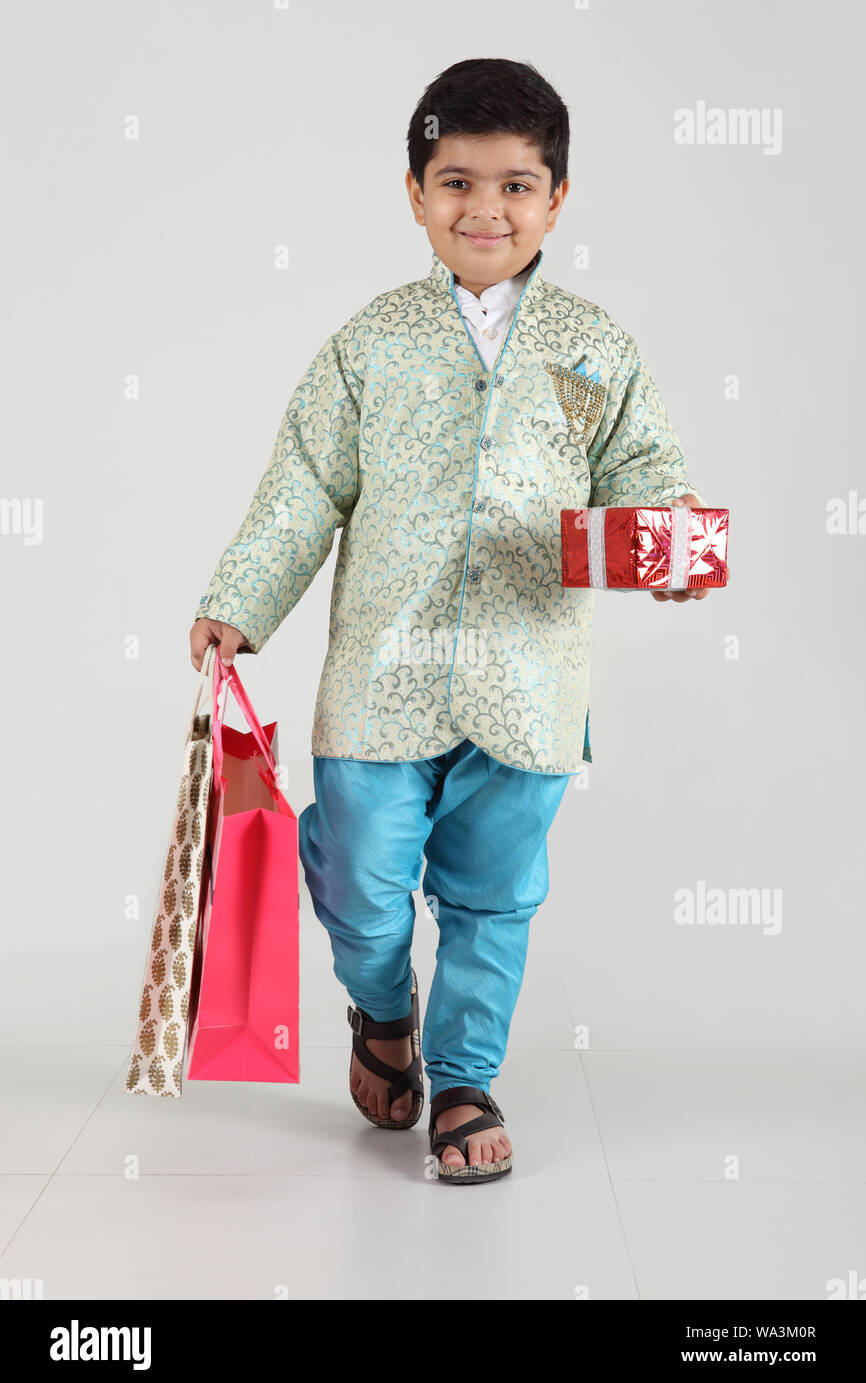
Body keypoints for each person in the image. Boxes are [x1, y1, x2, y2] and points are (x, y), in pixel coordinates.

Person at [189, 58, 720, 1184]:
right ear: (414, 192)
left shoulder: (596, 348)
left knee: (491, 892)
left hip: (528, 680)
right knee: (357, 879)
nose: (485, 207)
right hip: (381, 675)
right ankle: (380, 1006)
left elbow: (645, 477)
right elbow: (302, 486)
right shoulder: (368, 345)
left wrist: (666, 547)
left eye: (517, 184)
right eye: (455, 180)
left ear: (557, 199)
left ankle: (465, 1074)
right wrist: (239, 601)